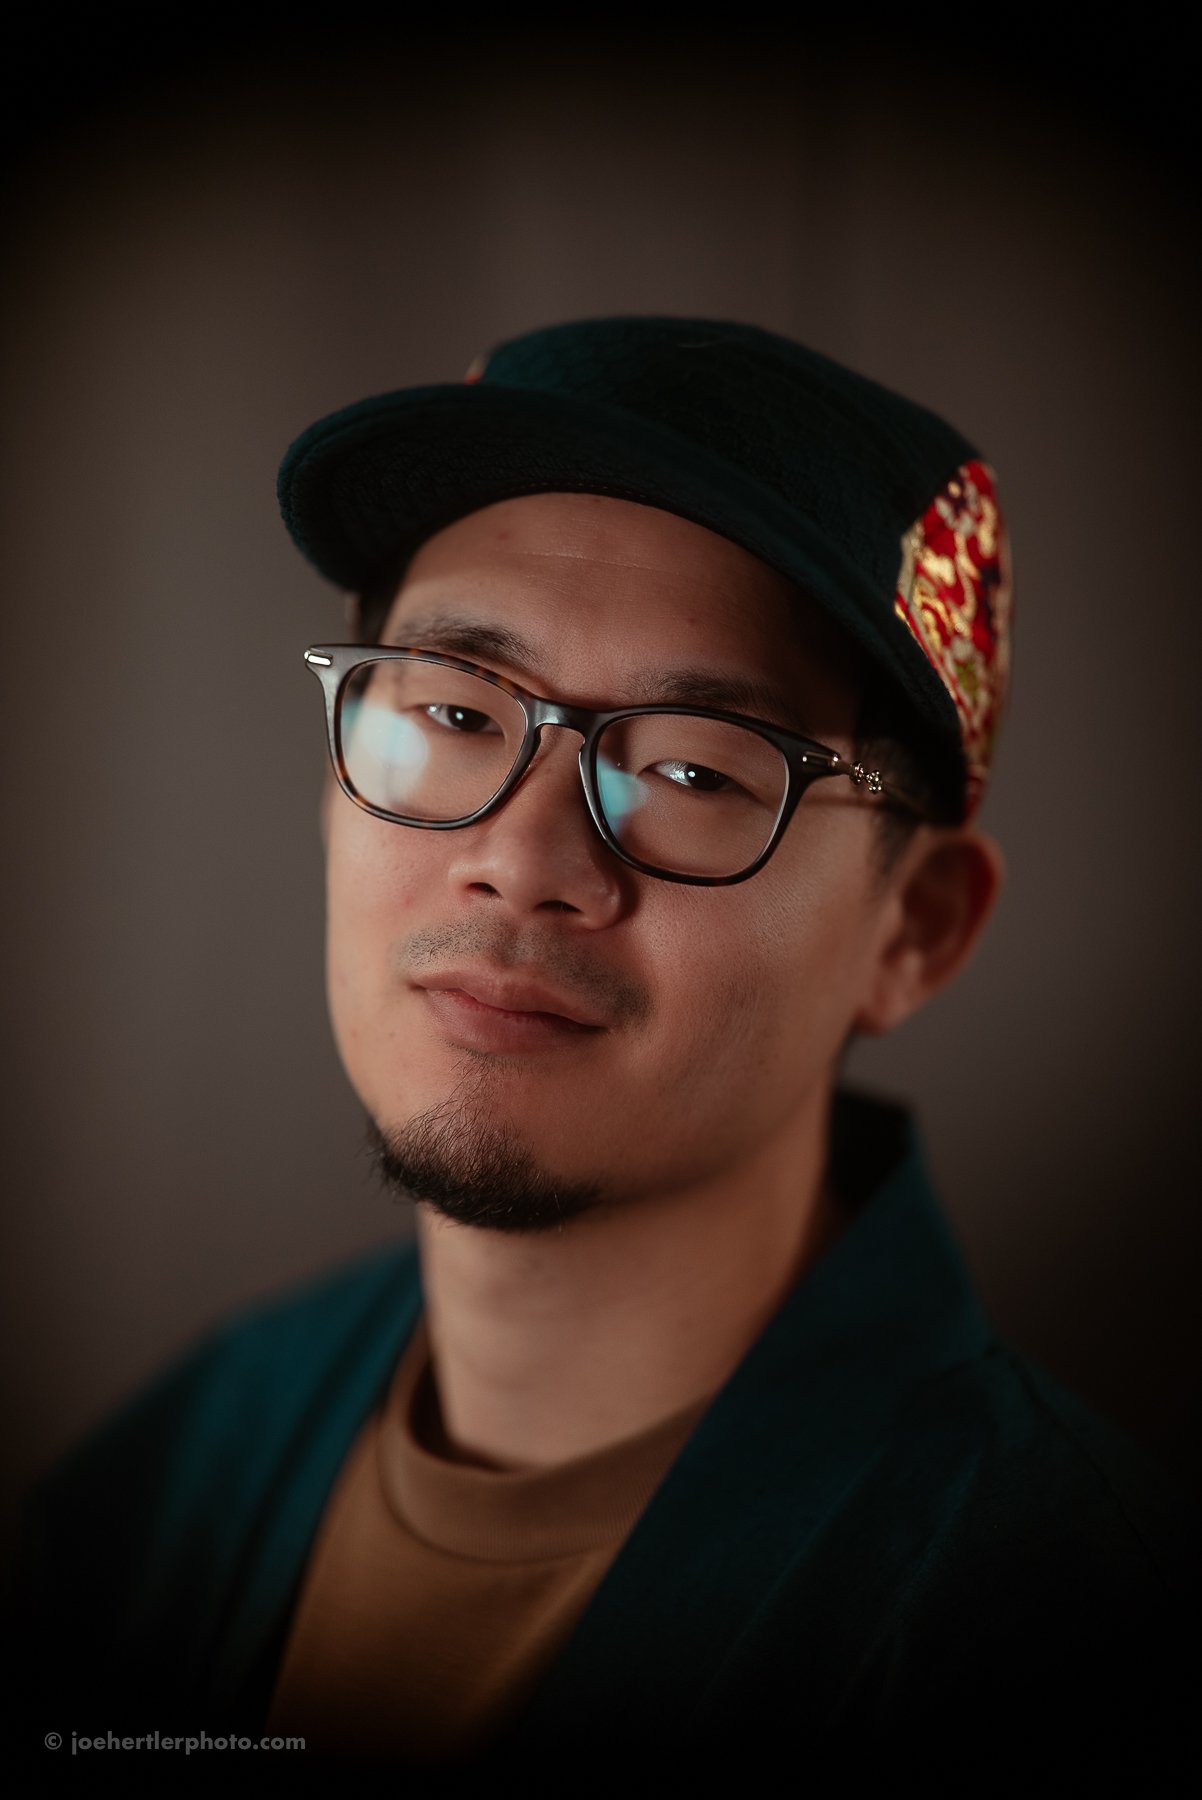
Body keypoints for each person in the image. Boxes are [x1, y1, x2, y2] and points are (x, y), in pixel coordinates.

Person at [8, 317, 1195, 1794]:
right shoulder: (170, 1477)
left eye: (692, 768)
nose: (518, 859)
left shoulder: (1059, 1626)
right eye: (450, 711)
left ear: (914, 930)